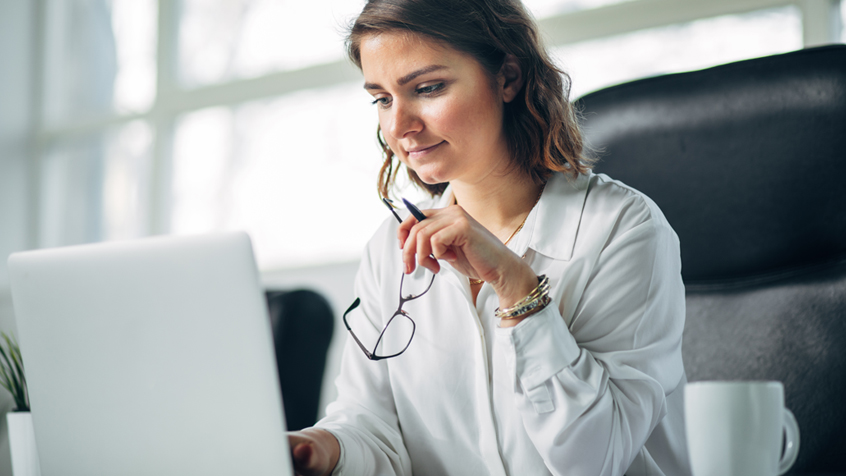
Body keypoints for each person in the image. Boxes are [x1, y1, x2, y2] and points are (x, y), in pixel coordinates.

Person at [288, 0, 690, 475]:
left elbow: (594, 458)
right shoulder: (389, 249)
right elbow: (374, 427)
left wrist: (514, 284)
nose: (398, 127)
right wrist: (319, 448)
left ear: (508, 78)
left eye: (428, 88)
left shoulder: (621, 229)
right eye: (382, 98)